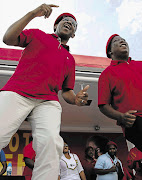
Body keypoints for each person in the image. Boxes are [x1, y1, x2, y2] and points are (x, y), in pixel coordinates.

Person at [0, 4, 89, 180]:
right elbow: (8, 38)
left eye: (73, 24)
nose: (69, 23)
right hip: (17, 91)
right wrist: (33, 14)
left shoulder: (69, 59)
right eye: (65, 20)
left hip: (48, 101)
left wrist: (76, 99)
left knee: (51, 143)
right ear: (55, 26)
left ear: (73, 34)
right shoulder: (38, 35)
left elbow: (67, 92)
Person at [98, 34, 142, 152]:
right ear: (110, 52)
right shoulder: (106, 74)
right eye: (117, 41)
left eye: (124, 40)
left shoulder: (140, 65)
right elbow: (103, 105)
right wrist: (122, 117)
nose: (122, 41)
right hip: (135, 122)